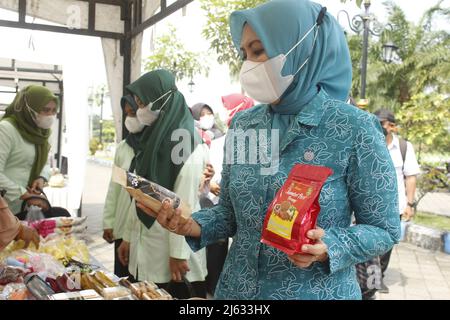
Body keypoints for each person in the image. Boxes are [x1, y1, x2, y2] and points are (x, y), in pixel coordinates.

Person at [137, 0, 400, 300]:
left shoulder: (355, 128)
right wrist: (191, 224)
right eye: (245, 53)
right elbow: (230, 214)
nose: (249, 64)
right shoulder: (245, 125)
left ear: (300, 48)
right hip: (237, 293)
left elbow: (385, 228)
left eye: (259, 51)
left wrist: (332, 246)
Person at [117, 69, 209, 299]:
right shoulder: (151, 139)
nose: (139, 111)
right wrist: (128, 236)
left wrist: (178, 254)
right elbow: (138, 193)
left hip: (172, 254)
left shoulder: (186, 142)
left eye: (141, 103)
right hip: (145, 245)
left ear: (161, 100)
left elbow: (184, 204)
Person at [200, 93, 255, 295]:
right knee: (216, 254)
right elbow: (208, 170)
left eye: (227, 108)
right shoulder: (219, 141)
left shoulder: (262, 142)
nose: (223, 114)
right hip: (216, 205)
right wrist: (212, 183)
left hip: (246, 218)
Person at [374, 108, 420, 294]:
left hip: (395, 206)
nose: (379, 126)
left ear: (392, 126)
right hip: (369, 204)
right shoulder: (370, 142)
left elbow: (410, 177)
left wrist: (409, 204)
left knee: (387, 244)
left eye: (382, 123)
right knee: (369, 242)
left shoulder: (404, 147)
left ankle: (379, 277)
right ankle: (370, 277)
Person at [0, 85, 60, 217]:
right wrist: (23, 194)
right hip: (4, 207)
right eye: (45, 110)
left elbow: (44, 162)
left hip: (24, 208)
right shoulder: (6, 129)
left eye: (54, 110)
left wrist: (41, 178)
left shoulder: (42, 133)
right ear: (28, 108)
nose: (50, 115)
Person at [102, 95, 143, 277]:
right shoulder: (123, 147)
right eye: (126, 114)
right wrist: (108, 221)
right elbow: (115, 188)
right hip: (121, 225)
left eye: (133, 113)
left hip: (142, 230)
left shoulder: (157, 146)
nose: (129, 119)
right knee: (122, 282)